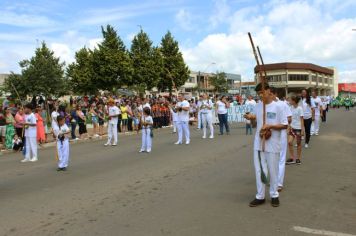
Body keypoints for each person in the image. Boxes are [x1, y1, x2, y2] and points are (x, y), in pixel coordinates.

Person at [244, 82, 288, 207]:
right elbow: (255, 125)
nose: (260, 96)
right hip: (259, 143)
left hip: (273, 143)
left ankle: (274, 195)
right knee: (259, 170)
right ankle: (260, 196)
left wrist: (270, 126)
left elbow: (285, 124)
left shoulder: (279, 106)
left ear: (269, 91)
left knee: (273, 170)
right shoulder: (258, 106)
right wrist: (251, 119)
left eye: (262, 93)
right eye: (258, 94)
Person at [270, 88, 292, 192]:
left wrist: (277, 121)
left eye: (270, 94)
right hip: (270, 135)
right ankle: (274, 180)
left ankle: (279, 183)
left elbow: (289, 118)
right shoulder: (267, 105)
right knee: (272, 158)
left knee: (281, 158)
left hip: (281, 134)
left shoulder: (283, 105)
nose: (268, 96)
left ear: (275, 94)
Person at [286, 96, 304, 165]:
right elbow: (290, 119)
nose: (289, 102)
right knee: (289, 142)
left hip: (298, 128)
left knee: (298, 143)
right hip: (292, 128)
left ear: (294, 101)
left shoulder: (300, 109)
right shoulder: (290, 108)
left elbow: (302, 119)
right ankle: (292, 158)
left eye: (290, 100)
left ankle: (298, 158)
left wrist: (302, 129)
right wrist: (288, 127)